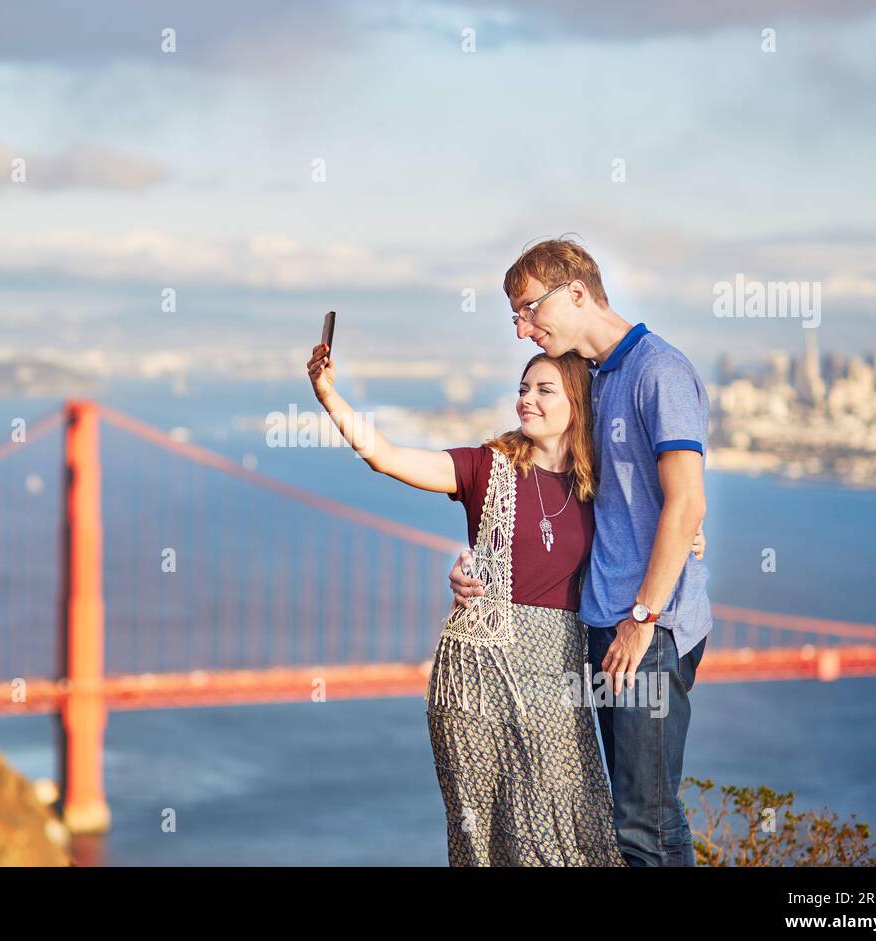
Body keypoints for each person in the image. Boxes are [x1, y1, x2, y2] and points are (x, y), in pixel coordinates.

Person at [305, 338, 703, 866]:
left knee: (576, 830)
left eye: (544, 390)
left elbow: (670, 514)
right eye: (522, 389)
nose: (527, 400)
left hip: (557, 670)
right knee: (488, 840)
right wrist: (328, 395)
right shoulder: (483, 468)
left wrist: (692, 538)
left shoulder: (599, 486)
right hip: (475, 676)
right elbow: (385, 456)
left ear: (577, 404)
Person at [450, 237, 712, 866]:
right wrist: (474, 565)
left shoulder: (659, 371)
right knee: (637, 817)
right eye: (514, 316)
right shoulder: (591, 381)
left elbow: (685, 504)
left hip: (648, 629)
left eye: (529, 309)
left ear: (575, 293)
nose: (522, 329)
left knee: (641, 827)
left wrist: (642, 620)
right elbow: (571, 495)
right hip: (602, 624)